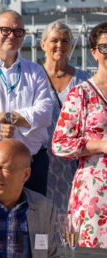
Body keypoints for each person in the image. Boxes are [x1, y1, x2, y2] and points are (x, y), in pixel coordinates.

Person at [52, 22, 107, 258]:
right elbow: (60, 143)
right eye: (105, 47)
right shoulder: (82, 94)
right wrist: (99, 144)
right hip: (94, 197)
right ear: (94, 51)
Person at [0, 10, 53, 195]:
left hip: (32, 165)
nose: (12, 36)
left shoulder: (35, 71)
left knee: (35, 212)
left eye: (18, 31)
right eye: (5, 30)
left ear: (24, 36)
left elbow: (46, 113)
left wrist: (8, 117)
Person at [41, 20, 91, 217]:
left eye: (65, 41)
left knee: (75, 216)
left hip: (75, 160)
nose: (59, 45)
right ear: (43, 44)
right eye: (54, 40)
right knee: (43, 217)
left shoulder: (83, 79)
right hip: (41, 162)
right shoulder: (34, 77)